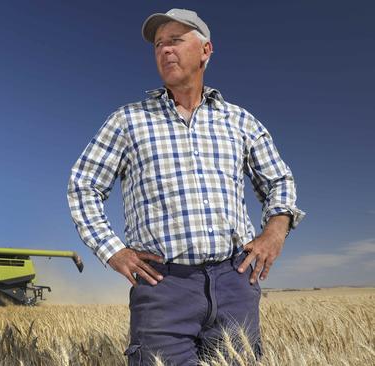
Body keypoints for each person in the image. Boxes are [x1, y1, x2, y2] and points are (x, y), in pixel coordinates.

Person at [67, 8, 305, 366]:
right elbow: (83, 186)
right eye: (159, 45)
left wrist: (275, 231)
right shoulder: (127, 121)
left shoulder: (239, 120)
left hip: (235, 280)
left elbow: (279, 180)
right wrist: (113, 250)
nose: (165, 50)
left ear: (206, 50)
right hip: (165, 287)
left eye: (175, 41)